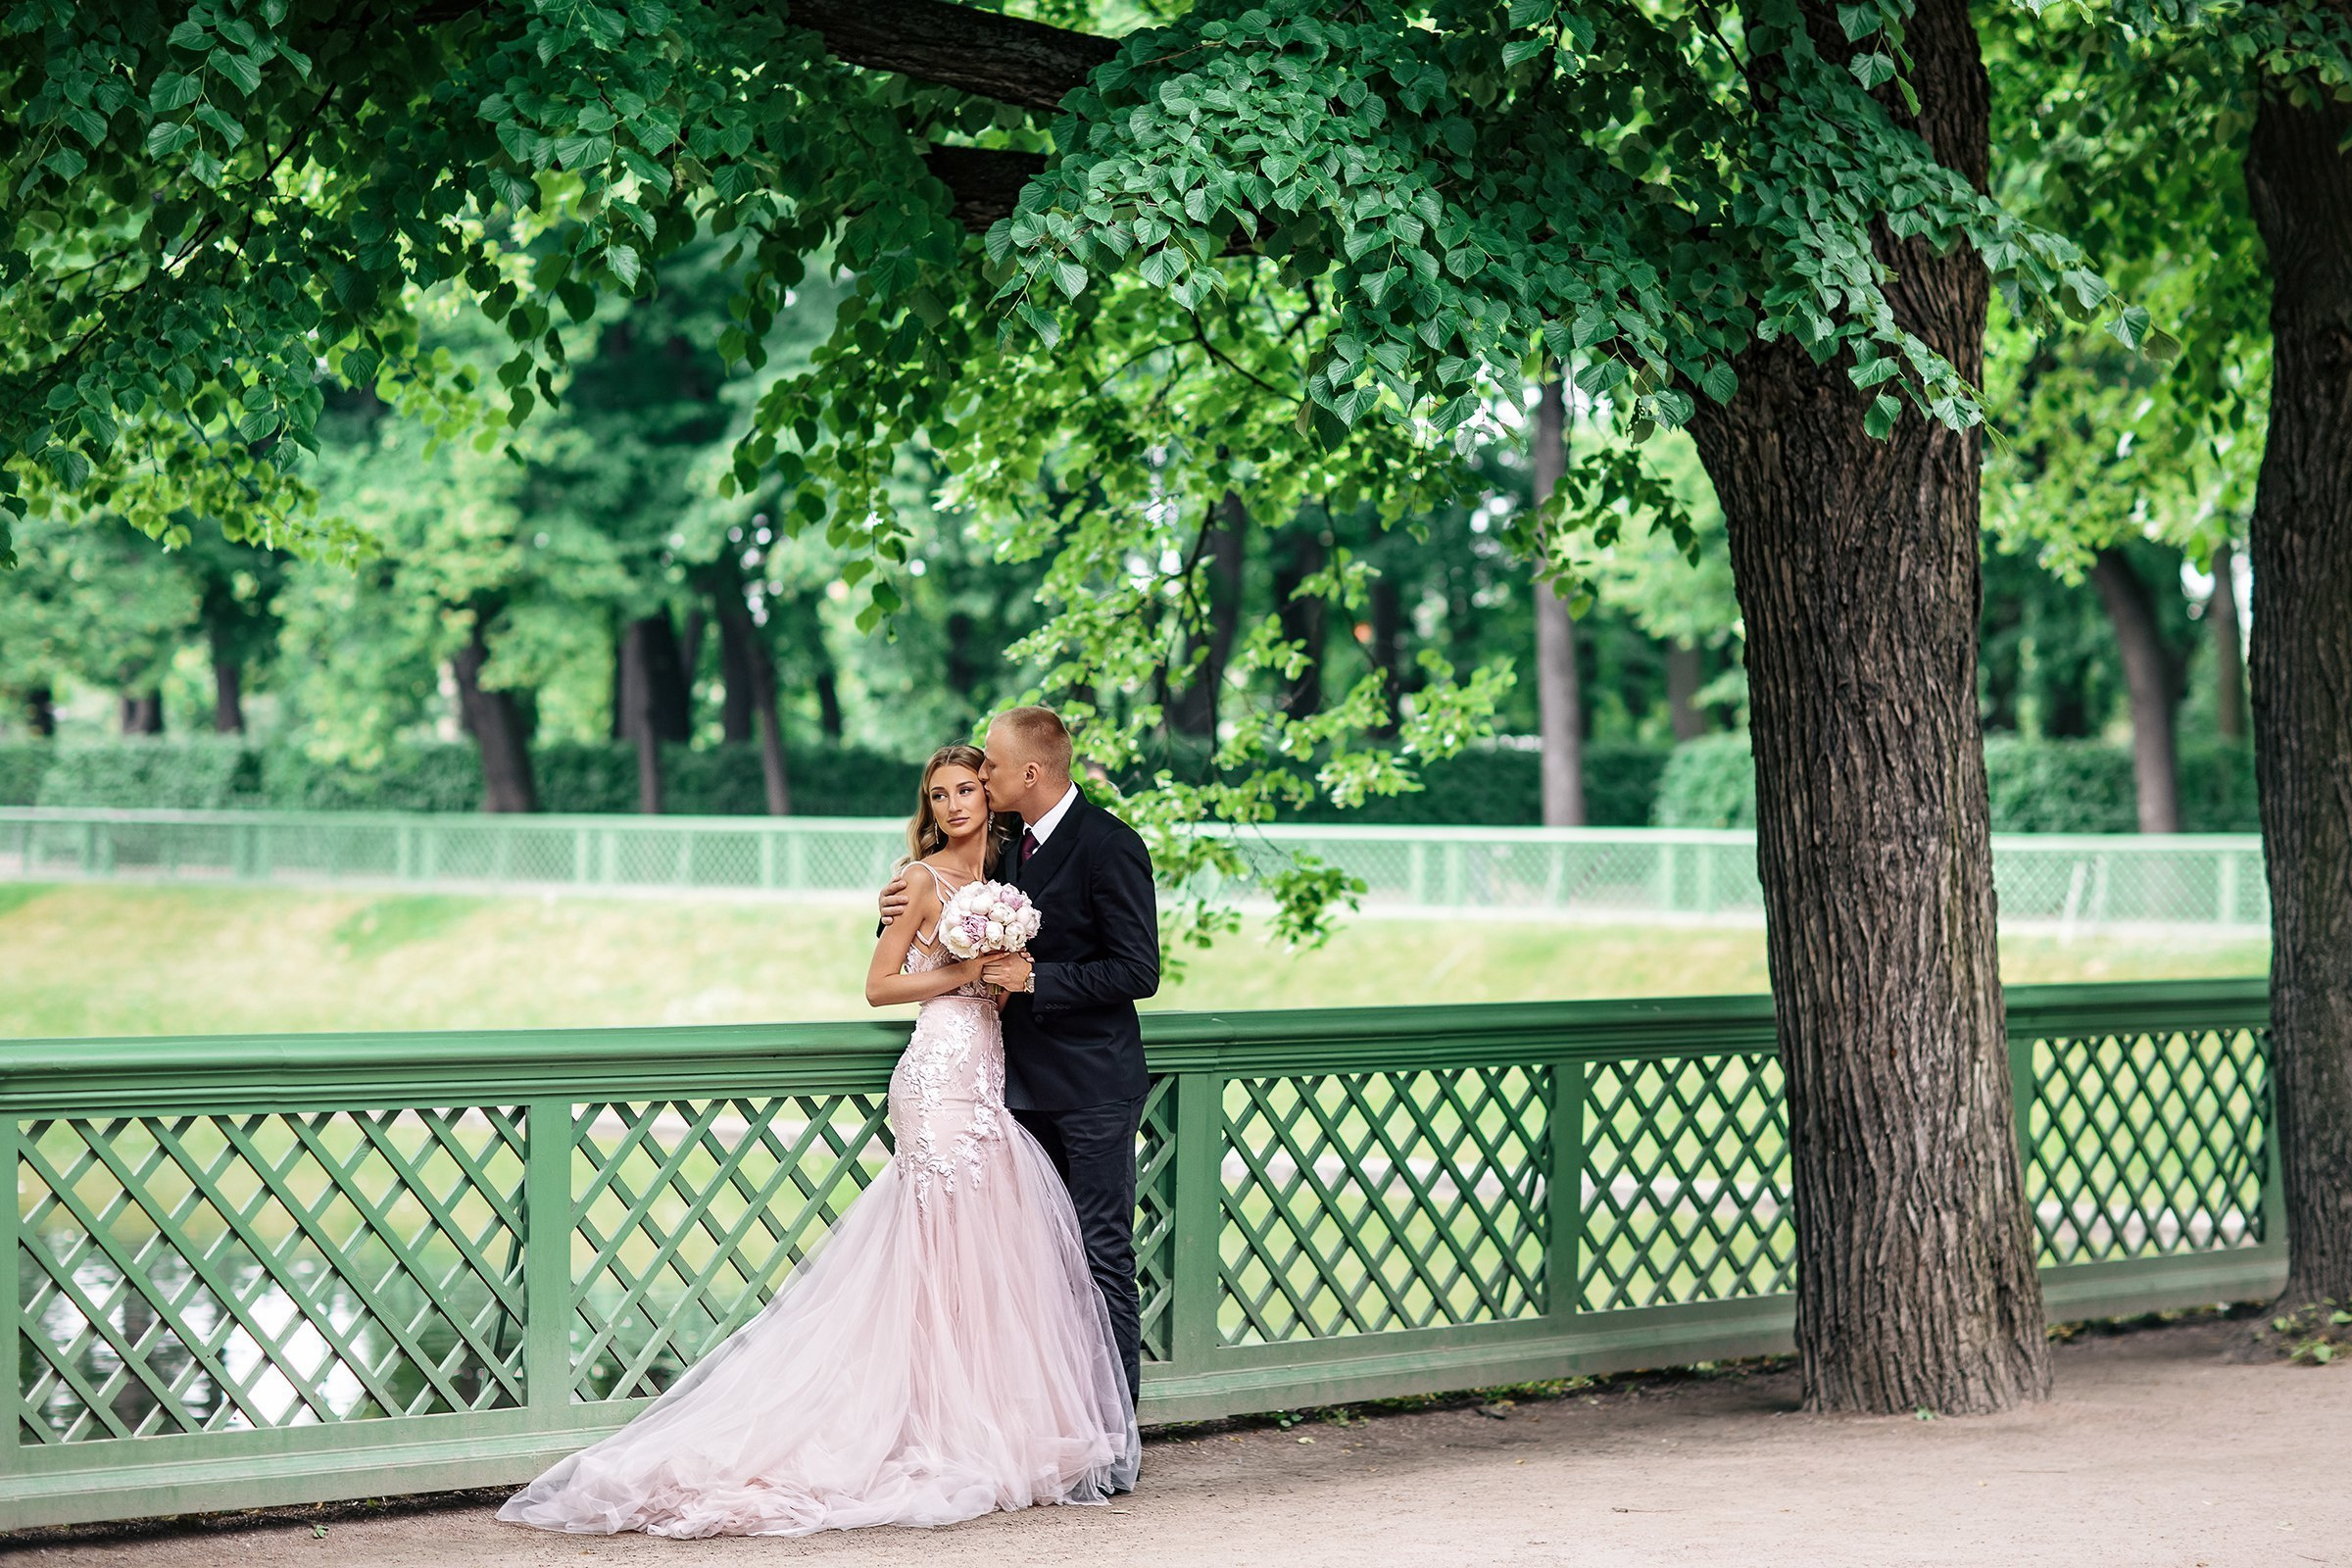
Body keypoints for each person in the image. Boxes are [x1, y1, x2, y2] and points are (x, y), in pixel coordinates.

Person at [497, 742, 1138, 1538]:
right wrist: (964, 973)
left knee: (990, 1254)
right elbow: (880, 985)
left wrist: (1002, 962)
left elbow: (1078, 948)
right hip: (938, 1075)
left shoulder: (1012, 878)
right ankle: (923, 1428)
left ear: (993, 794)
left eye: (968, 789)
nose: (955, 805)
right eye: (939, 795)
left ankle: (982, 1421)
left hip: (994, 1079)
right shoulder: (920, 878)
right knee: (934, 1250)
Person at [877, 705, 1160, 1408]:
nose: (981, 779)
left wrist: (1036, 979)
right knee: (1032, 1263)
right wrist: (889, 901)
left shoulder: (1109, 844)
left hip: (1093, 1088)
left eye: (991, 770)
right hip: (1010, 1089)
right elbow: (939, 920)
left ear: (1030, 771)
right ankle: (1044, 1420)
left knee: (1101, 1258)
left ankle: (1113, 1435)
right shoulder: (1009, 849)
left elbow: (1138, 971)